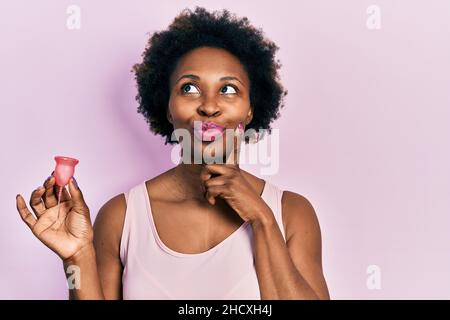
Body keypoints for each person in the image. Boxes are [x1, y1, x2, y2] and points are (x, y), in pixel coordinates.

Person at [15, 7, 329, 300]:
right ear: (167, 108)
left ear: (250, 111)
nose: (208, 105)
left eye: (228, 89)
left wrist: (262, 220)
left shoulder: (290, 213)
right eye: (189, 89)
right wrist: (77, 257)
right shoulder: (122, 217)